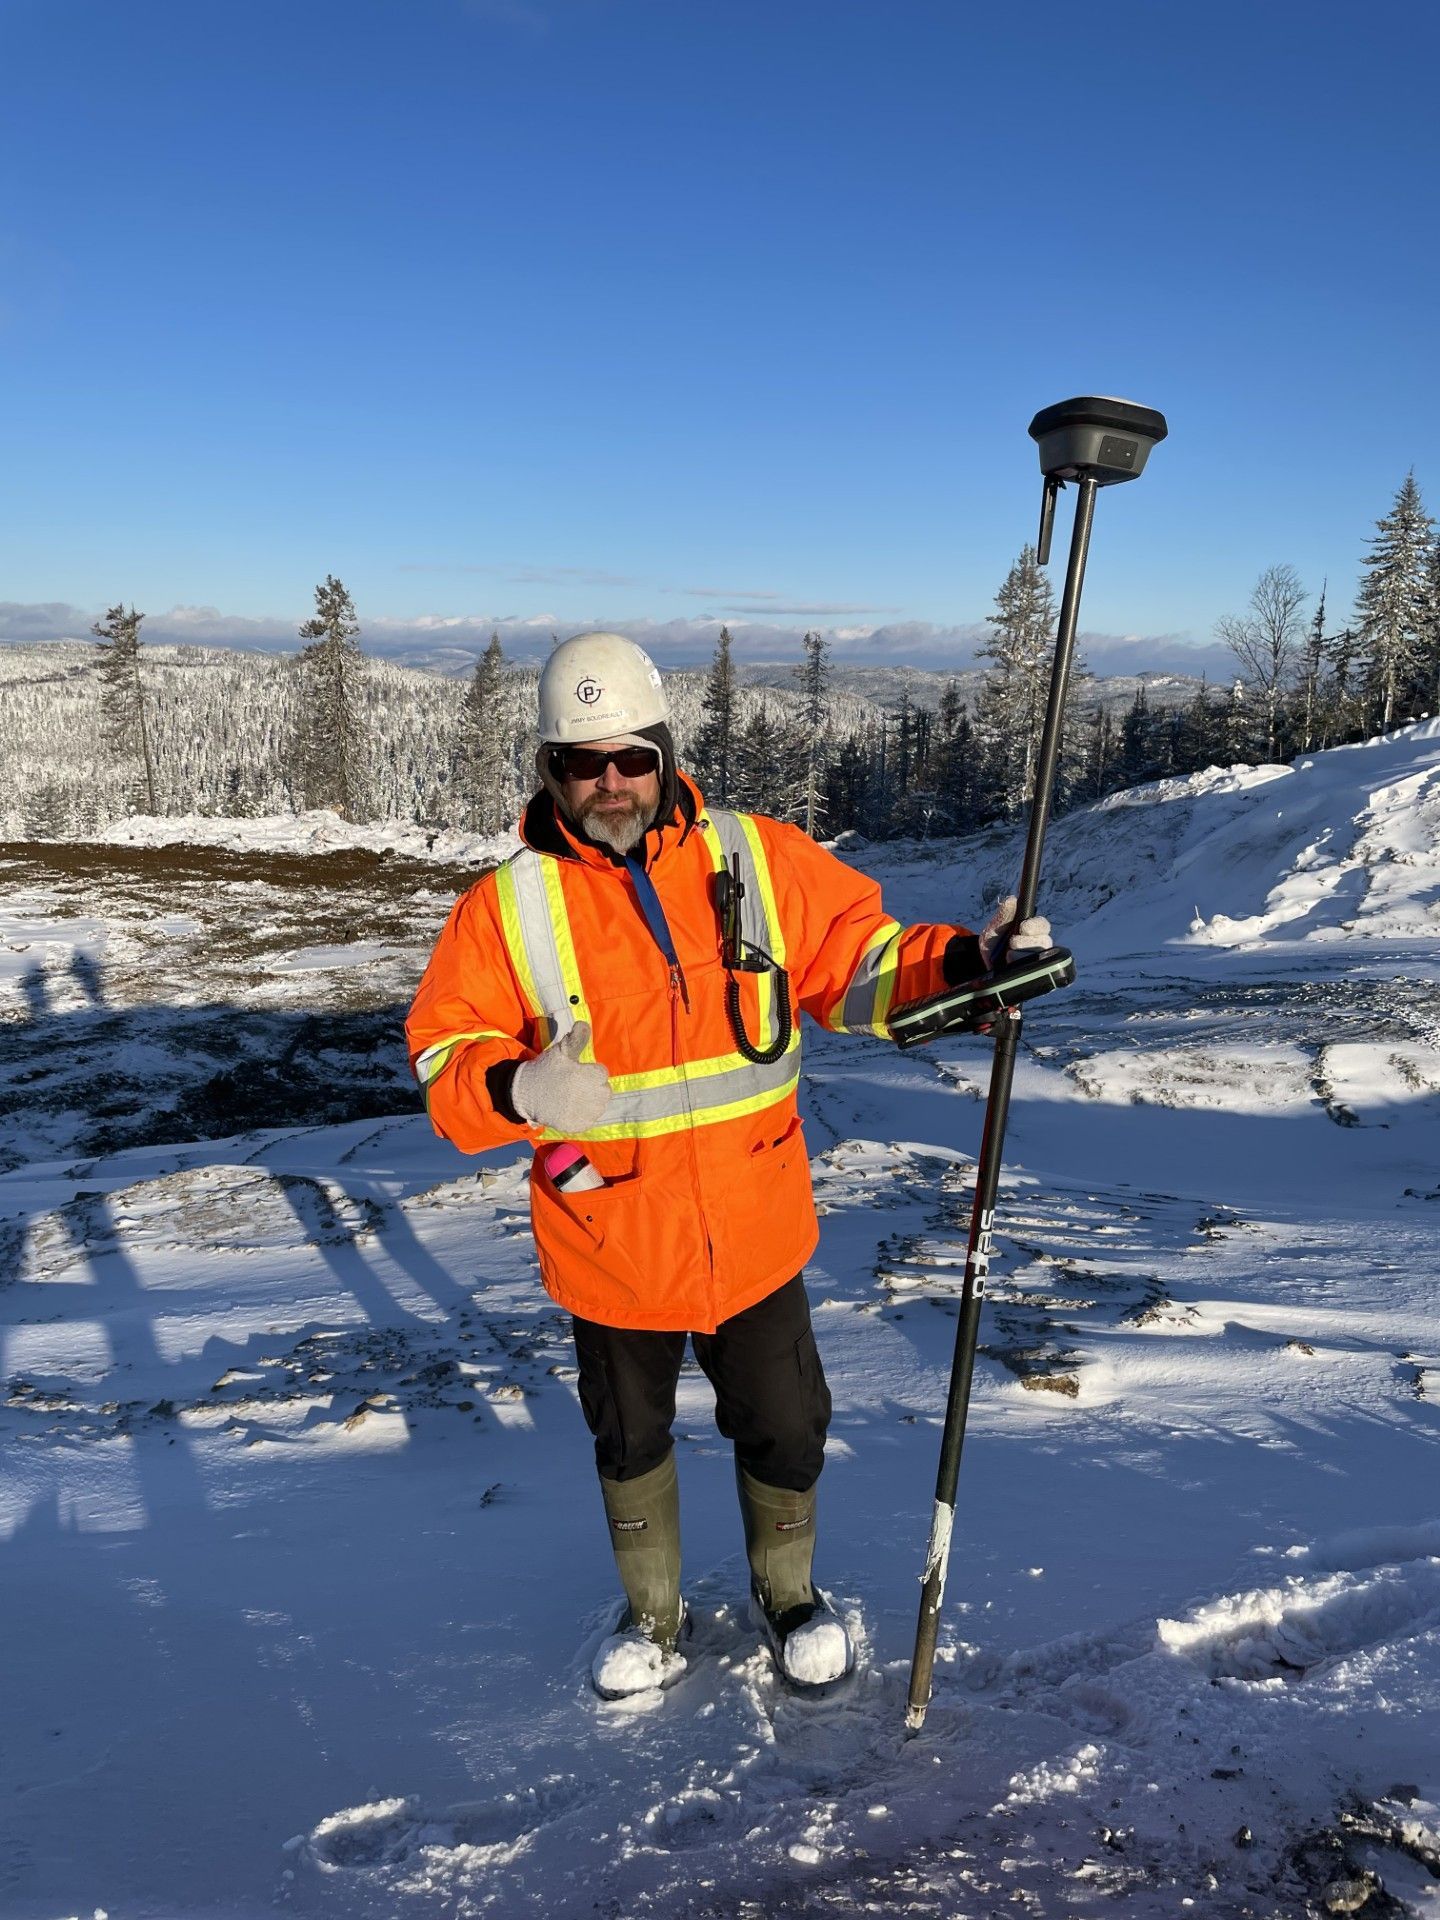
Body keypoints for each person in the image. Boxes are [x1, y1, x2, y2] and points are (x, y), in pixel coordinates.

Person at [405, 632, 1049, 1697]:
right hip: (607, 1236)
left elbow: (861, 963)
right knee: (628, 1439)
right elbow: (443, 1058)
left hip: (753, 1228)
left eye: (629, 758)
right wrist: (517, 1089)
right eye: (580, 762)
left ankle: (789, 1595)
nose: (609, 783)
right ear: (548, 772)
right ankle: (654, 1620)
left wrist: (974, 967)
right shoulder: (503, 909)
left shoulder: (755, 859)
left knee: (789, 1424)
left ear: (664, 754)